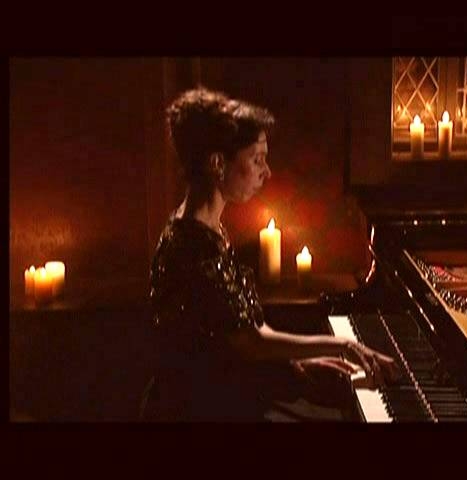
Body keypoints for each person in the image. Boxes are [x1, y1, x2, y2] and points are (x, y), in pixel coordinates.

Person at [139, 87, 399, 421]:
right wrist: (344, 345)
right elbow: (252, 341)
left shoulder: (206, 228)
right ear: (218, 164)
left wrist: (299, 363)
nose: (267, 171)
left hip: (226, 390)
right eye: (256, 159)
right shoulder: (192, 245)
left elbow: (235, 333)